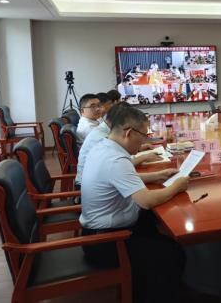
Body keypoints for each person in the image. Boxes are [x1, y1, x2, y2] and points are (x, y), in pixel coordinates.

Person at [80, 106, 188, 302]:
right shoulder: (115, 159)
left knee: (158, 222)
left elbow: (122, 178)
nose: (144, 141)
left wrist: (158, 175)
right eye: (144, 136)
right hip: (106, 242)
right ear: (129, 133)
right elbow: (146, 201)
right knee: (172, 254)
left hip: (102, 230)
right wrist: (176, 187)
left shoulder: (105, 147)